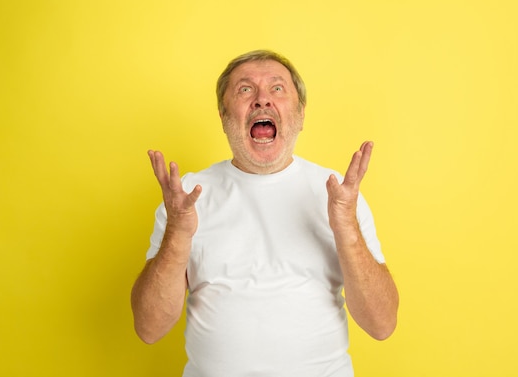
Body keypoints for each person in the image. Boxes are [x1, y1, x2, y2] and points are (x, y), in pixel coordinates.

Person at [131, 50, 399, 377]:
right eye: (245, 89)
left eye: (277, 89)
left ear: (300, 114)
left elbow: (382, 324)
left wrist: (346, 228)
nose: (262, 100)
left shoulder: (338, 194)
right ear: (223, 114)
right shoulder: (184, 198)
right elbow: (149, 327)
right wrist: (178, 234)